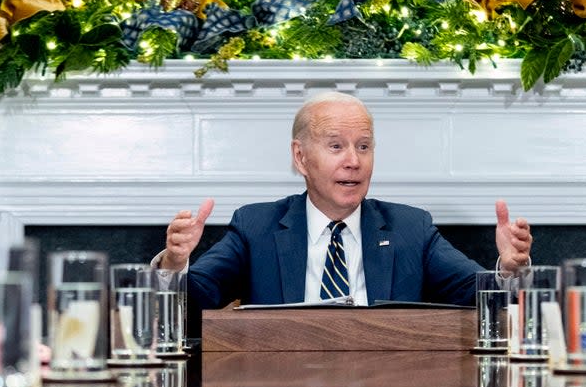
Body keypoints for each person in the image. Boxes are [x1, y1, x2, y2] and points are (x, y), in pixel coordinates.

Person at [157, 91, 533, 310]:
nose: (353, 160)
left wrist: (508, 270)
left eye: (364, 146)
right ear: (301, 157)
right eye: (336, 146)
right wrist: (174, 264)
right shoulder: (256, 226)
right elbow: (196, 301)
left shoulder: (410, 229)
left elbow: (480, 294)